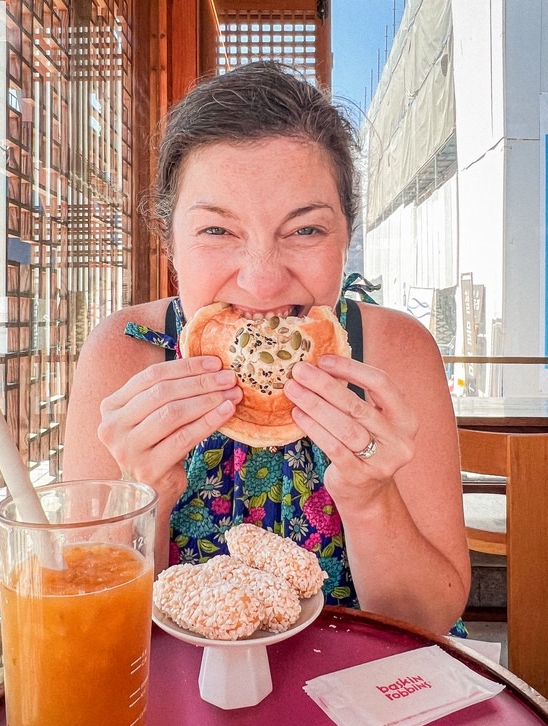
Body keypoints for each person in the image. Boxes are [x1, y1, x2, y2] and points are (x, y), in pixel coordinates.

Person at [63, 60, 470, 636]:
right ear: (170, 242)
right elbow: (88, 621)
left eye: (305, 230)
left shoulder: (394, 352)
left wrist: (370, 499)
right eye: (217, 231)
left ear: (346, 237)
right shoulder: (125, 354)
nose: (262, 283)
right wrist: (139, 501)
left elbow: (428, 618)